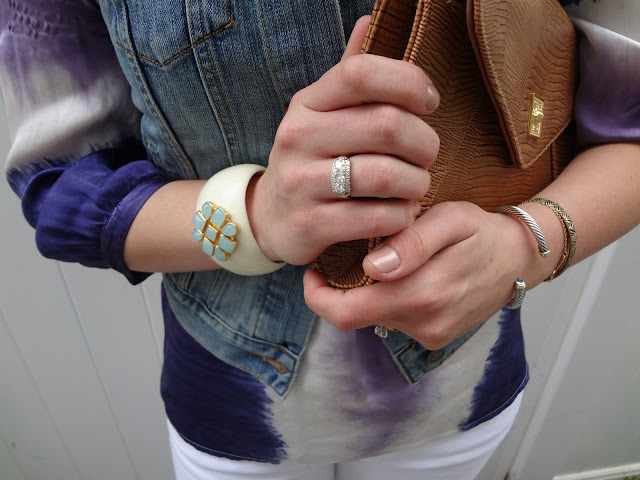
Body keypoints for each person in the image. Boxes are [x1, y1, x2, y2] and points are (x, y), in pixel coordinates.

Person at [1, 0, 639, 479]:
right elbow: (62, 184)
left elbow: (628, 127)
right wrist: (257, 214)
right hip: (237, 404)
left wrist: (524, 245)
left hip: (456, 389)